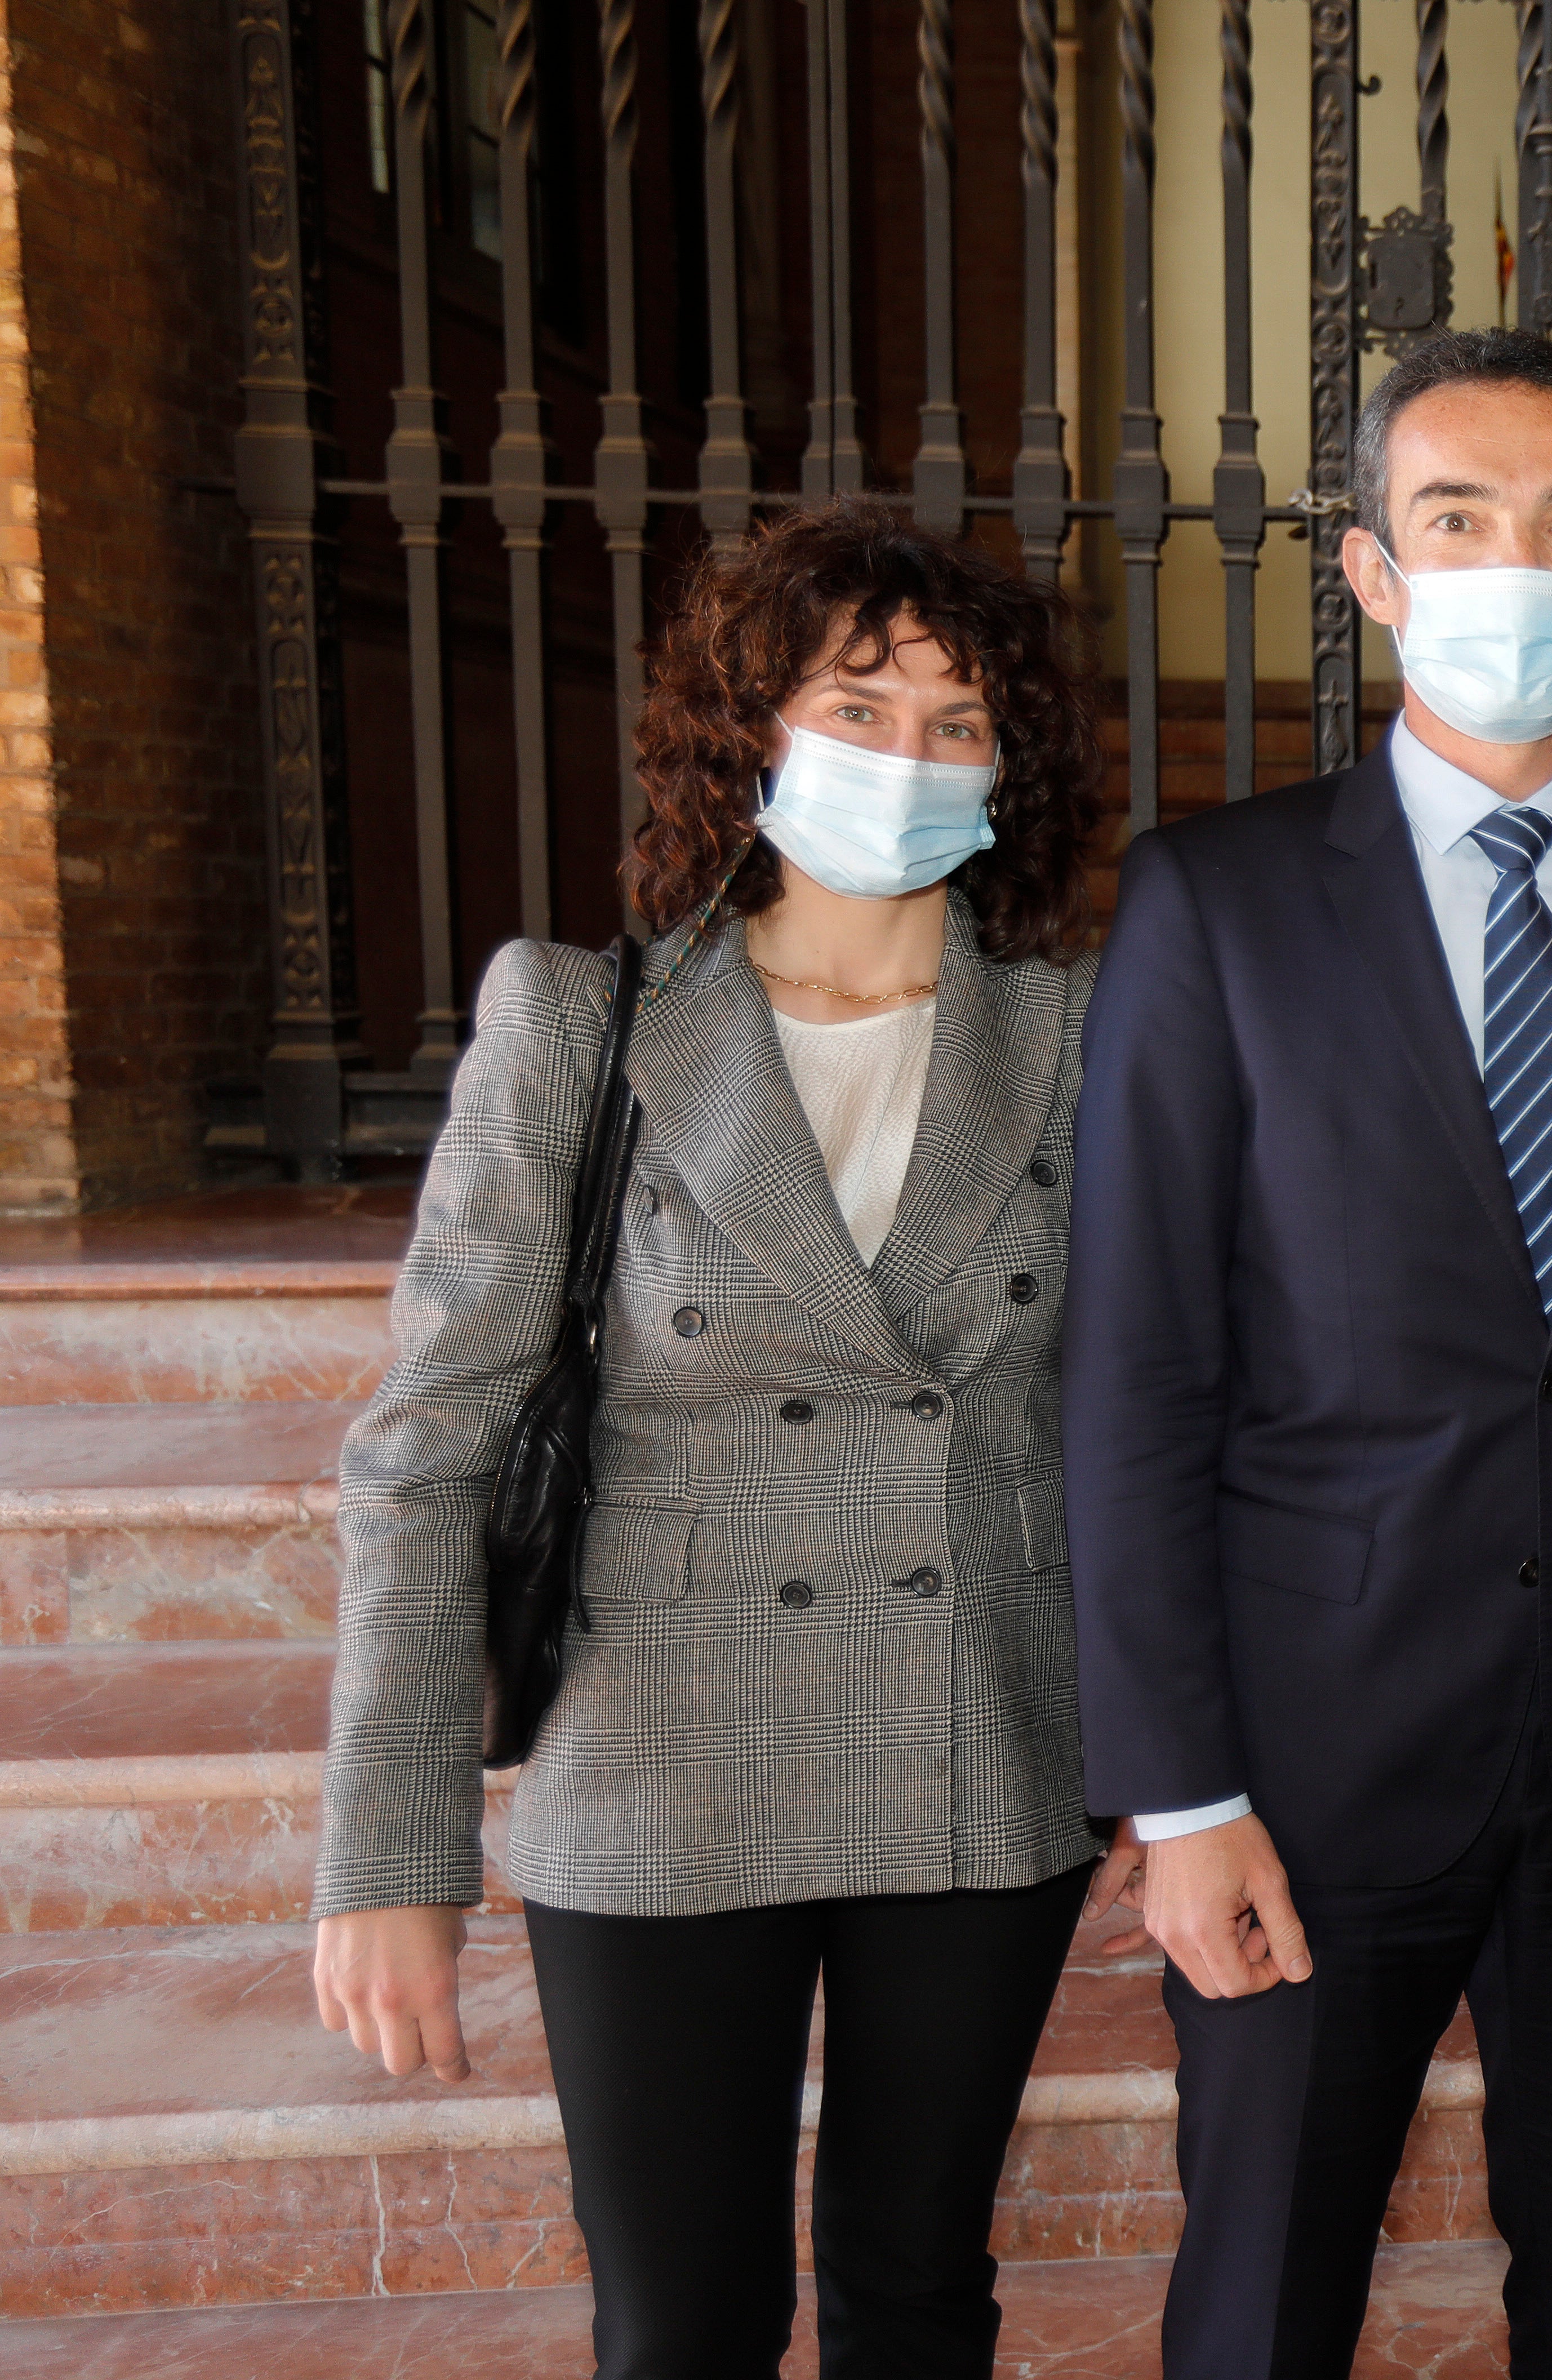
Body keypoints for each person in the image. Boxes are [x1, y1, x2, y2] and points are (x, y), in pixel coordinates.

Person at [1063, 325, 1552, 2378]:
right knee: (1266, 2297)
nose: (1519, 561)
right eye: (1459, 519)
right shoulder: (1215, 910)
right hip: (1308, 1776)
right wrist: (1181, 1794)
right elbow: (1135, 1375)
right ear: (1374, 569)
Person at [309, 503, 1119, 2379]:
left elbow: (1144, 1422)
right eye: (857, 704)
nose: (905, 756)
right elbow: (426, 1451)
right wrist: (390, 1853)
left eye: (957, 721)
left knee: (922, 2296)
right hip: (661, 1755)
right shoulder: (580, 1022)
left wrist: (1175, 1765)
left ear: (1014, 768)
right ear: (751, 728)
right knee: (682, 2324)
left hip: (972, 1735)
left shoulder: (1080, 1037)